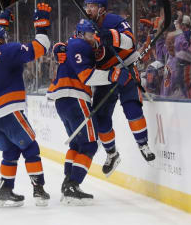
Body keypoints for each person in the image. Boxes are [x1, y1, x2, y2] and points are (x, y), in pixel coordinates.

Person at [47, 19, 132, 204]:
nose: (93, 39)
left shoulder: (73, 44)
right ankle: (73, 185)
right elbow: (87, 76)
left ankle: (67, 182)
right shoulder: (79, 44)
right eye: (90, 35)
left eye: (95, 36)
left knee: (76, 145)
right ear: (80, 33)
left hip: (62, 101)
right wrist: (113, 75)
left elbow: (64, 52)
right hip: (75, 97)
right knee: (90, 145)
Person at [0, 3, 51, 208]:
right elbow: (40, 47)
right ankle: (38, 189)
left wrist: (2, 23)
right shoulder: (9, 51)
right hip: (7, 112)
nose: (6, 39)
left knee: (10, 152)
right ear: (0, 41)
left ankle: (5, 190)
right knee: (31, 147)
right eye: (3, 37)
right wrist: (42, 25)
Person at [84, 0, 156, 177]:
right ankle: (111, 154)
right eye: (87, 6)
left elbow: (130, 41)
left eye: (92, 6)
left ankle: (143, 145)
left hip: (124, 69)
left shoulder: (115, 20)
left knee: (132, 108)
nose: (88, 9)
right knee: (101, 118)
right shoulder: (85, 25)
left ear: (102, 8)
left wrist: (112, 36)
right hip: (105, 76)